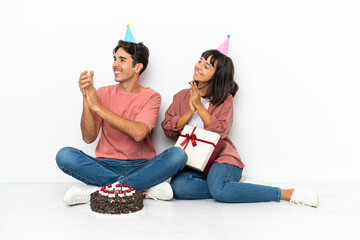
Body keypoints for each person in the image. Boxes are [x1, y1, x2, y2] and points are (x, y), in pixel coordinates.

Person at [161, 37, 319, 207]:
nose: (198, 66)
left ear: (217, 75)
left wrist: (199, 105)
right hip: (193, 162)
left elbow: (220, 132)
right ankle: (236, 188)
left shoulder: (225, 99)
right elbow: (168, 130)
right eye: (200, 61)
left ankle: (286, 194)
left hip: (221, 159)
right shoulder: (181, 96)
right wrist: (190, 110)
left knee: (220, 191)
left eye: (206, 66)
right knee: (180, 188)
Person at [56, 27, 187, 206]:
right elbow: (88, 137)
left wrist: (98, 107)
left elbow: (139, 133)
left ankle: (101, 191)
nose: (115, 64)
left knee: (178, 155)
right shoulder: (102, 93)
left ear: (137, 67)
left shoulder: (151, 96)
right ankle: (141, 189)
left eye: (122, 60)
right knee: (64, 155)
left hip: (142, 166)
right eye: (115, 59)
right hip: (104, 165)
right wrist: (87, 98)